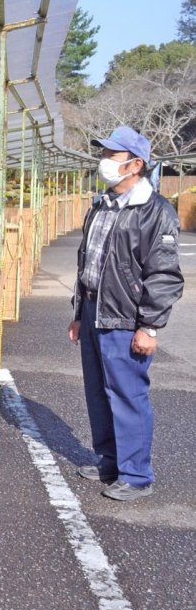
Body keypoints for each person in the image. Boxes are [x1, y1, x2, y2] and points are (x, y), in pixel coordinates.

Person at [68, 126, 183, 501]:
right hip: (93, 310)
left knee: (127, 394)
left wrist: (149, 325)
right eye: (103, 154)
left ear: (136, 164)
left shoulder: (155, 211)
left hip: (125, 318)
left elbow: (164, 274)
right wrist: (79, 311)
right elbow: (90, 261)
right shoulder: (101, 205)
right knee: (98, 392)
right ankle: (108, 461)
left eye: (111, 156)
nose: (104, 162)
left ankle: (135, 475)